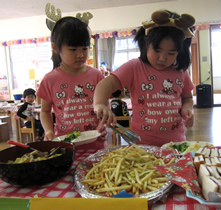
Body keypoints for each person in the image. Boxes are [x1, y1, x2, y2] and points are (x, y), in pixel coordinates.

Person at [94, 10, 196, 147]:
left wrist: (187, 109)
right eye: (157, 51)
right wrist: (100, 104)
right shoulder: (134, 67)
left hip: (175, 144)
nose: (163, 58)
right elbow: (104, 85)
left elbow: (187, 98)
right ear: (146, 44)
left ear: (180, 52)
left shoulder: (180, 71)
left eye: (171, 53)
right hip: (142, 146)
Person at [37, 8, 107, 149]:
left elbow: (104, 106)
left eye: (85, 48)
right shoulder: (49, 80)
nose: (81, 54)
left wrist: (102, 124)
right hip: (65, 145)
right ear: (55, 48)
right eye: (73, 50)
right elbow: (44, 111)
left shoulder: (97, 76)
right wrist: (49, 130)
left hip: (95, 143)